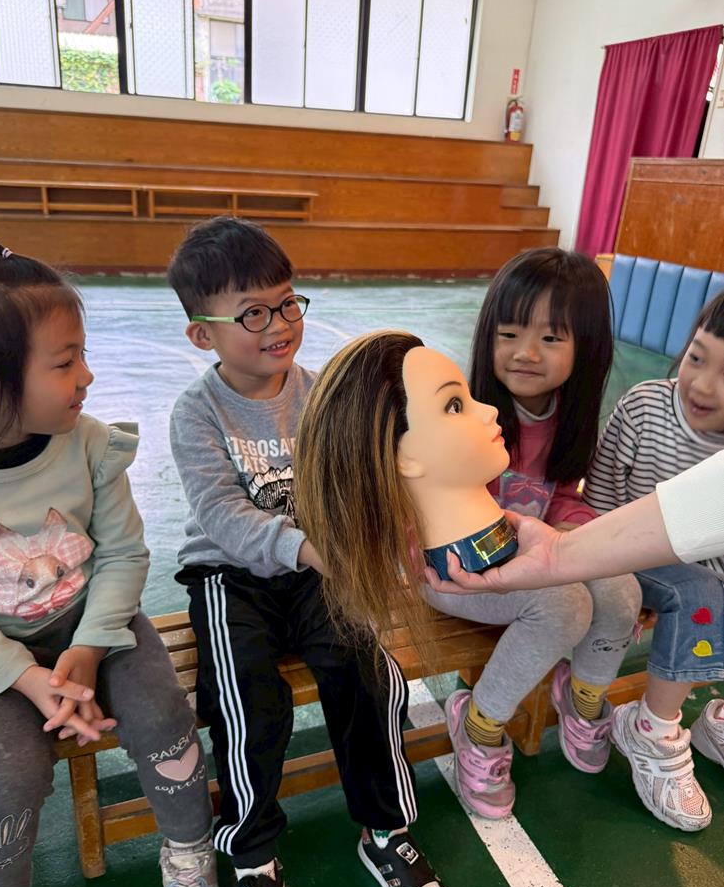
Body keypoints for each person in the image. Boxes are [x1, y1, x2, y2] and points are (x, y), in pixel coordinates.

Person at [167, 217, 454, 887]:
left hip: (317, 566)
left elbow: (365, 472)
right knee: (243, 697)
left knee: (366, 668)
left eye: (287, 302)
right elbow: (222, 516)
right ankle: (252, 859)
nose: (278, 324)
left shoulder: (324, 389)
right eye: (252, 313)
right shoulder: (197, 412)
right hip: (229, 575)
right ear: (202, 334)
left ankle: (384, 828)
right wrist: (309, 548)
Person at [0, 229, 221, 887]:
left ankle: (190, 856)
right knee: (4, 778)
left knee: (164, 718)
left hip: (99, 626)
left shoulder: (91, 446)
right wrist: (29, 678)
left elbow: (124, 555)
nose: (87, 376)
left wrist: (91, 647)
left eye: (83, 355)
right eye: (64, 362)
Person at [294, 316, 640, 826]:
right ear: (404, 456)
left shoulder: (557, 423)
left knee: (619, 584)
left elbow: (566, 502)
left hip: (513, 538)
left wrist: (566, 531)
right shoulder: (411, 492)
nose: (490, 409)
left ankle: (584, 695)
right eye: (455, 405)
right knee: (564, 603)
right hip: (451, 572)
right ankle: (479, 725)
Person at [579, 292, 724, 831]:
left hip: (706, 569)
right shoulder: (644, 408)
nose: (703, 385)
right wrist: (618, 583)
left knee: (708, 593)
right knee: (702, 596)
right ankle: (652, 729)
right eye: (697, 357)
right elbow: (598, 509)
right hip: (633, 553)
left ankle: (715, 721)